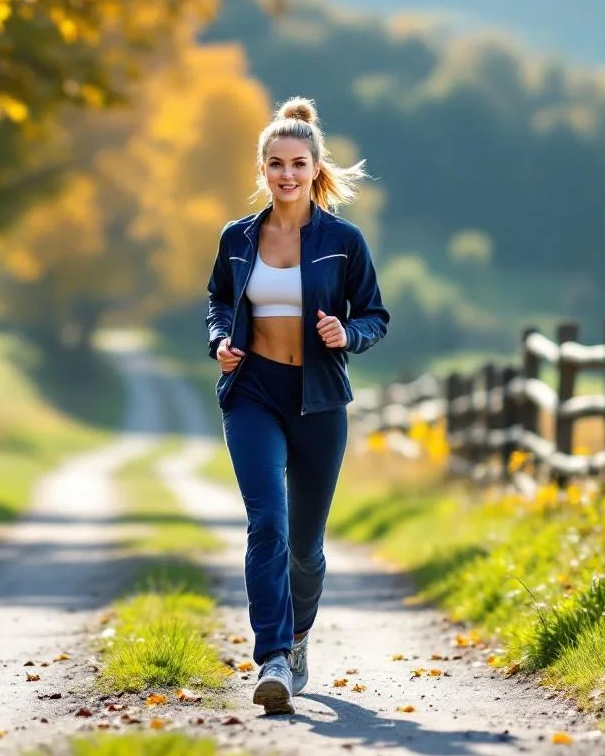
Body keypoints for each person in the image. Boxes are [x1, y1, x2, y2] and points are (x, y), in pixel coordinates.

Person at [205, 96, 390, 715]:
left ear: (315, 168)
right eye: (276, 164)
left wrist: (347, 333)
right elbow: (218, 299)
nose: (287, 174)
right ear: (262, 169)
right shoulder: (238, 237)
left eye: (298, 164)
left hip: (318, 400)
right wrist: (220, 340)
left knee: (305, 549)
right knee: (268, 523)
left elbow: (374, 315)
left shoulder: (343, 240)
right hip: (253, 392)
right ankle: (274, 659)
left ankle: (300, 634)